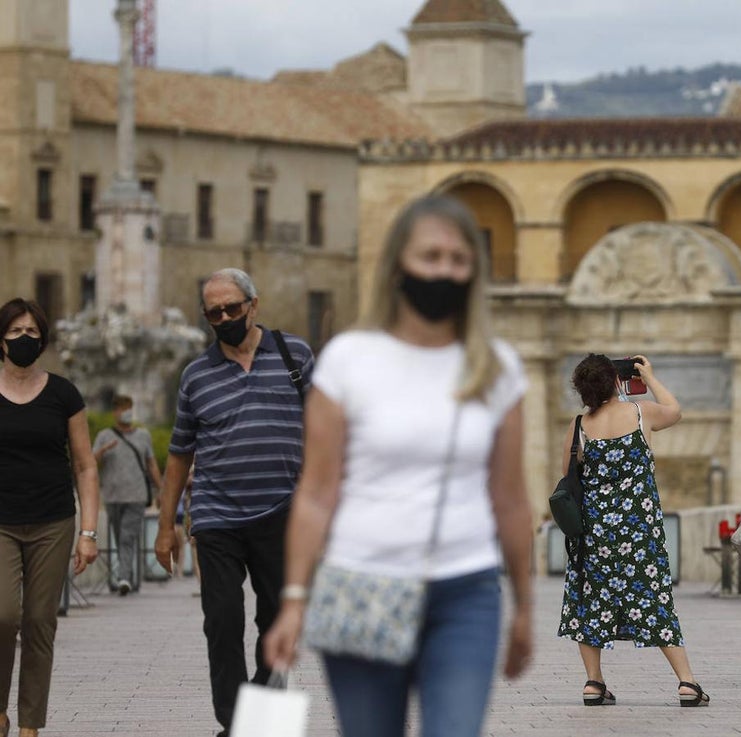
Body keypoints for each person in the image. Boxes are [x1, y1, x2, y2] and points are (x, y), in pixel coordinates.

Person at [263, 195, 533, 737]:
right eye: (430, 256)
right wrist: (293, 599)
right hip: (363, 578)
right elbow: (317, 491)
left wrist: (525, 606)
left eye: (459, 260)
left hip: (464, 588)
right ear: (397, 265)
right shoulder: (350, 360)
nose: (444, 271)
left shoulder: (496, 368)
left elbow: (509, 497)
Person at [152, 268, 314, 737]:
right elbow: (180, 454)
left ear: (253, 305)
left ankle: (258, 719)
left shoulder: (294, 355)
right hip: (216, 515)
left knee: (278, 622)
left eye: (232, 308)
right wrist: (167, 526)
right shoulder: (196, 376)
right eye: (213, 312)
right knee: (222, 622)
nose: (224, 318)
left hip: (284, 511)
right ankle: (237, 722)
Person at [557, 353, 710, 708]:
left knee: (591, 603)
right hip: (640, 533)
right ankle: (687, 683)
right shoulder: (640, 412)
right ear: (615, 381)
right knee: (654, 600)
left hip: (595, 535)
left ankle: (594, 683)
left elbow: (567, 476)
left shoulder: (579, 425)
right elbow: (675, 410)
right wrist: (650, 377)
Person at [0, 298, 100, 737]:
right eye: (16, 331)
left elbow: (85, 465)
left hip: (52, 521)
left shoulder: (63, 393)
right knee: (2, 615)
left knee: (41, 620)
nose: (25, 339)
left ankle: (29, 726)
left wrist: (88, 532)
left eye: (32, 332)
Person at [92, 394, 162, 595]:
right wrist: (103, 450)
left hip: (136, 495)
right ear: (115, 412)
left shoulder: (143, 435)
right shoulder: (105, 435)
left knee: (126, 537)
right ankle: (128, 576)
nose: (127, 412)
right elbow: (89, 460)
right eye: (123, 408)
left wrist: (163, 489)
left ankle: (123, 578)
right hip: (113, 496)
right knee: (120, 536)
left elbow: (151, 464)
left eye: (129, 408)